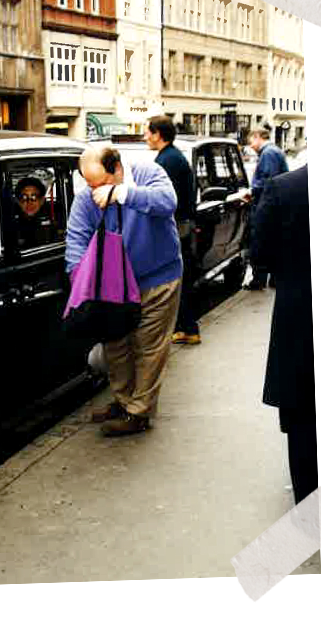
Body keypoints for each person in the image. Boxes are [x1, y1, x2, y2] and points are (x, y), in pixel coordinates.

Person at [66, 146, 182, 436]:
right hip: (113, 285)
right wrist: (81, 281)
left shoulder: (148, 174)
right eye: (89, 184)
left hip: (157, 277)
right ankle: (123, 401)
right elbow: (76, 239)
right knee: (116, 345)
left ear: (116, 168)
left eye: (101, 183)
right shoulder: (87, 197)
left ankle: (139, 412)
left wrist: (123, 193)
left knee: (148, 348)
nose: (94, 191)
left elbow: (168, 202)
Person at [250, 163, 320, 503]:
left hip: (300, 312)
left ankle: (311, 503)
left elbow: (260, 253)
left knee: (304, 408)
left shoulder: (284, 187)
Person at [144, 115, 200, 345]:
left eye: (147, 132)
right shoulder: (173, 156)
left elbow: (165, 201)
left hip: (177, 227)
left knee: (174, 279)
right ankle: (187, 327)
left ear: (158, 134)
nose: (145, 136)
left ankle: (186, 327)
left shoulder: (166, 161)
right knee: (181, 278)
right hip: (183, 223)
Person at [243, 127, 289, 290]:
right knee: (273, 241)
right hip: (275, 203)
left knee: (261, 241)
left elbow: (269, 180)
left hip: (268, 204)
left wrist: (252, 191)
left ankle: (259, 279)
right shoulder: (274, 151)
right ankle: (274, 278)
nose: (251, 147)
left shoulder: (268, 153)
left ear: (257, 137)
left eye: (251, 142)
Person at [13, 176, 58, 247]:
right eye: (24, 198)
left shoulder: (54, 218)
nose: (29, 203)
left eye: (34, 197)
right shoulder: (11, 224)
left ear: (42, 200)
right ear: (18, 201)